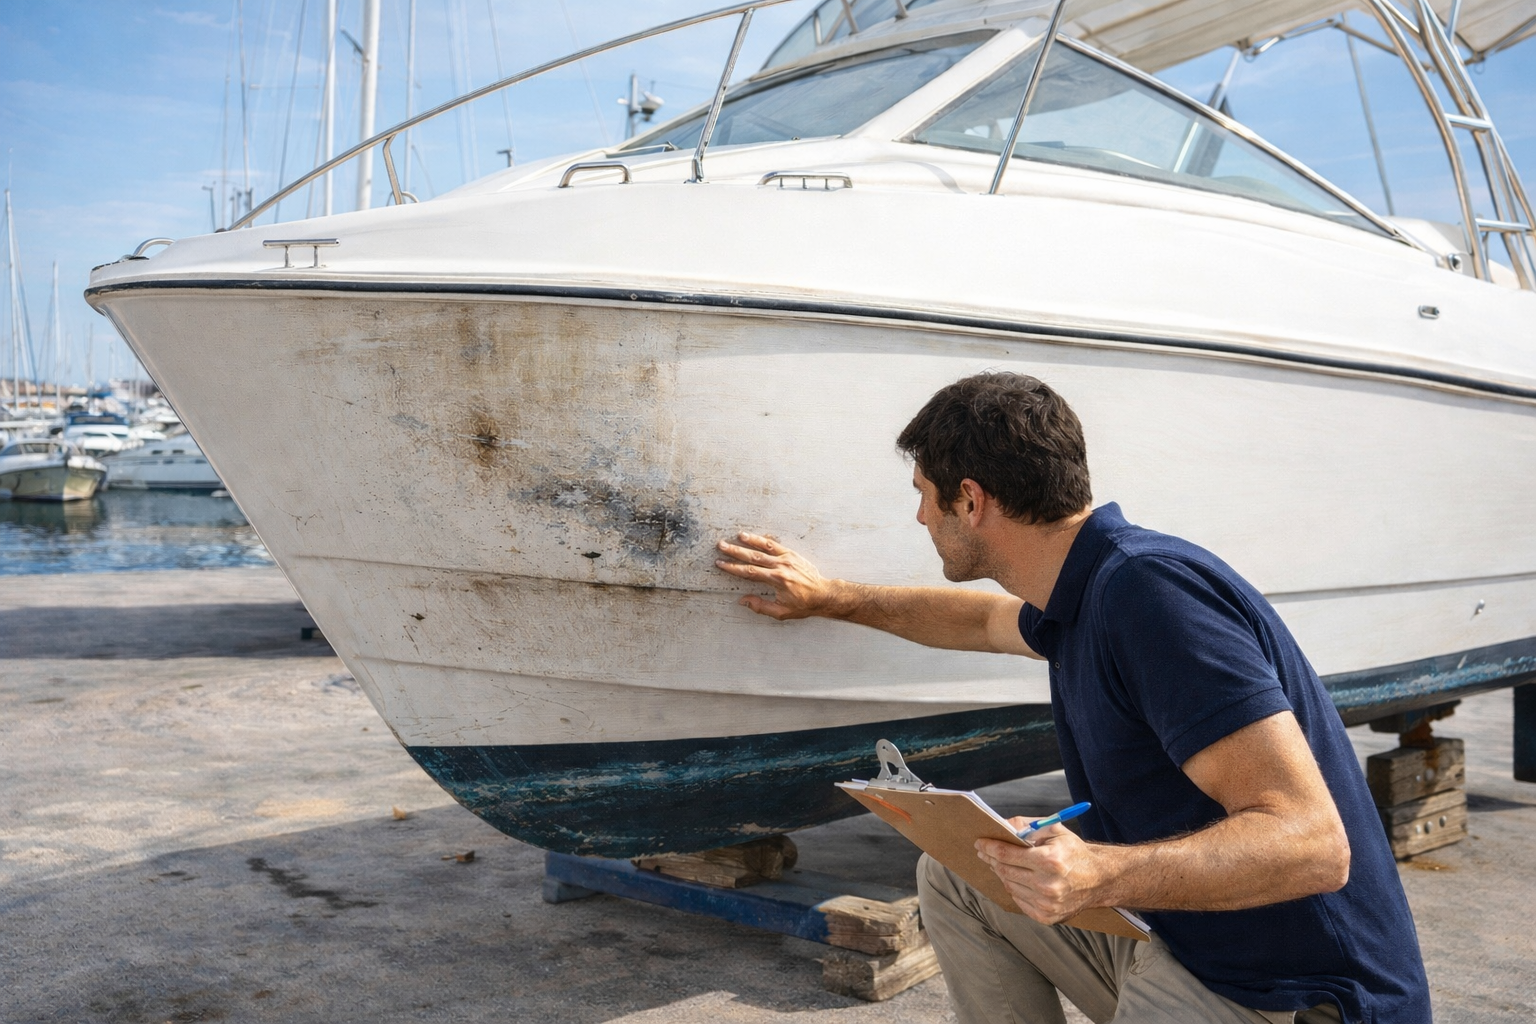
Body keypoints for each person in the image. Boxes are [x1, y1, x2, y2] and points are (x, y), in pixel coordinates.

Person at [714, 372, 1429, 1024]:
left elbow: (1311, 845)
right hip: (1189, 942)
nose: (921, 520)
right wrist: (831, 598)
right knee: (964, 874)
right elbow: (975, 621)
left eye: (925, 498)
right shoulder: (1079, 595)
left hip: (1293, 995)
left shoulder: (1153, 598)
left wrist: (1099, 870)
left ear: (971, 500)